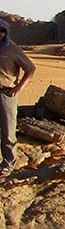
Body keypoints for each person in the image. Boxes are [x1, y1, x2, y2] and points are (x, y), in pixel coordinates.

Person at [0, 20, 36, 175]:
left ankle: (8, 163)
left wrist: (18, 88)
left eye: (1, 30)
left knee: (8, 130)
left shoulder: (12, 49)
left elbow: (30, 68)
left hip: (6, 93)